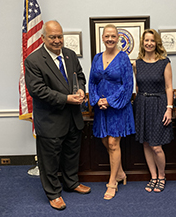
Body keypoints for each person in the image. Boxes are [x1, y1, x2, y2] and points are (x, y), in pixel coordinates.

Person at [25, 20, 91, 210]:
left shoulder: (70, 55)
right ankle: (53, 193)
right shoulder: (34, 60)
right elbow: (38, 90)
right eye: (52, 37)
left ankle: (71, 183)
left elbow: (79, 76)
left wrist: (80, 90)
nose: (57, 40)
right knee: (49, 160)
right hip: (50, 120)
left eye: (59, 36)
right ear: (43, 38)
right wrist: (66, 99)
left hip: (73, 118)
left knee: (72, 154)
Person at [88, 24, 135, 200]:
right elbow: (92, 81)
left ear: (118, 38)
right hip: (101, 107)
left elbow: (127, 85)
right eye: (107, 36)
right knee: (104, 140)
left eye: (113, 36)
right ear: (102, 38)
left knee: (114, 143)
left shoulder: (123, 58)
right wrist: (97, 100)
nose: (110, 39)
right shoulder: (97, 57)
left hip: (118, 107)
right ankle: (121, 172)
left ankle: (112, 181)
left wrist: (109, 100)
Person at [133, 29, 174, 193]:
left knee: (156, 146)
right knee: (146, 143)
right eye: (146, 40)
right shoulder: (137, 63)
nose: (149, 43)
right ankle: (153, 176)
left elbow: (169, 87)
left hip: (159, 104)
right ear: (142, 43)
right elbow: (136, 86)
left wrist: (169, 109)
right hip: (142, 104)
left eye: (152, 40)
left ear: (157, 42)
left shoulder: (165, 62)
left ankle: (162, 176)